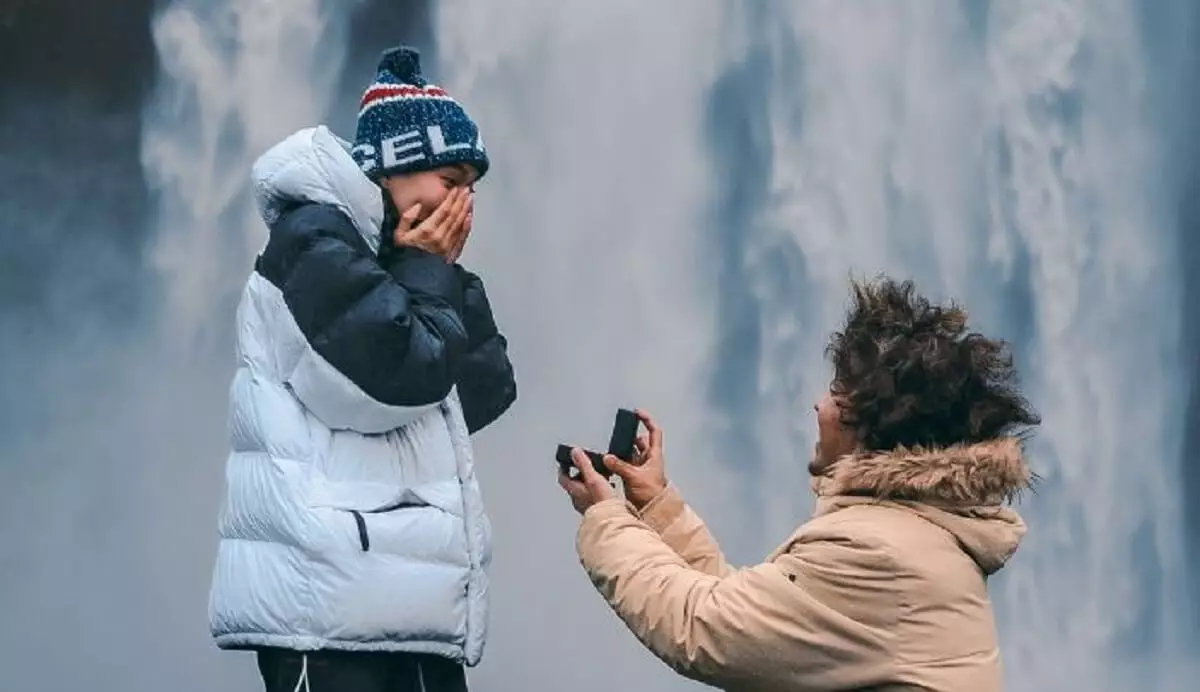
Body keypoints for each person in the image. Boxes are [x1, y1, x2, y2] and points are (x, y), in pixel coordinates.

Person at [207, 45, 516, 692]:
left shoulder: (398, 267)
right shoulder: (311, 243)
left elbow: (481, 395)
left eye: (472, 188)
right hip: (329, 625)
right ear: (394, 172)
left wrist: (439, 272)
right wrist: (425, 273)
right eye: (452, 180)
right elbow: (390, 381)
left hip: (408, 616)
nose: (465, 203)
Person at [559, 277, 1039, 691]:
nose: (818, 405)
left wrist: (607, 516)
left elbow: (704, 627)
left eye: (835, 392)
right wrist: (655, 506)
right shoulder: (912, 539)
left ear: (875, 422)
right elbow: (757, 617)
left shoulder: (881, 554)